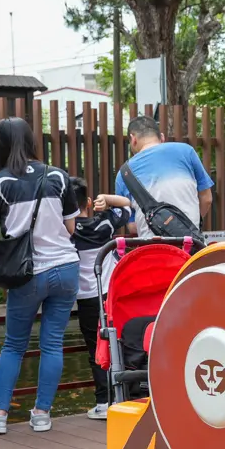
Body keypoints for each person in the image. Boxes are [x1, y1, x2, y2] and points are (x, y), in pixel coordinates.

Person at [0, 117, 81, 435]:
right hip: (65, 268)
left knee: (13, 345)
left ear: (1, 145)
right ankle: (42, 414)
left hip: (26, 274)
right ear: (33, 141)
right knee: (52, 344)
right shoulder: (59, 176)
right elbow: (72, 228)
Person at [70, 177, 136, 420]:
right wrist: (107, 199)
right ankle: (123, 395)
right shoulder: (105, 224)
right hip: (109, 293)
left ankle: (102, 402)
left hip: (85, 298)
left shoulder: (64, 230)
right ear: (88, 202)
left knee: (94, 348)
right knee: (116, 341)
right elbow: (128, 204)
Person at [113, 114, 213, 237]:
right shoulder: (186, 151)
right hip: (190, 243)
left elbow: (133, 227)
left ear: (133, 139)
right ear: (162, 137)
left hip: (151, 247)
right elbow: (207, 199)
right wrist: (187, 225)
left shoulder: (124, 173)